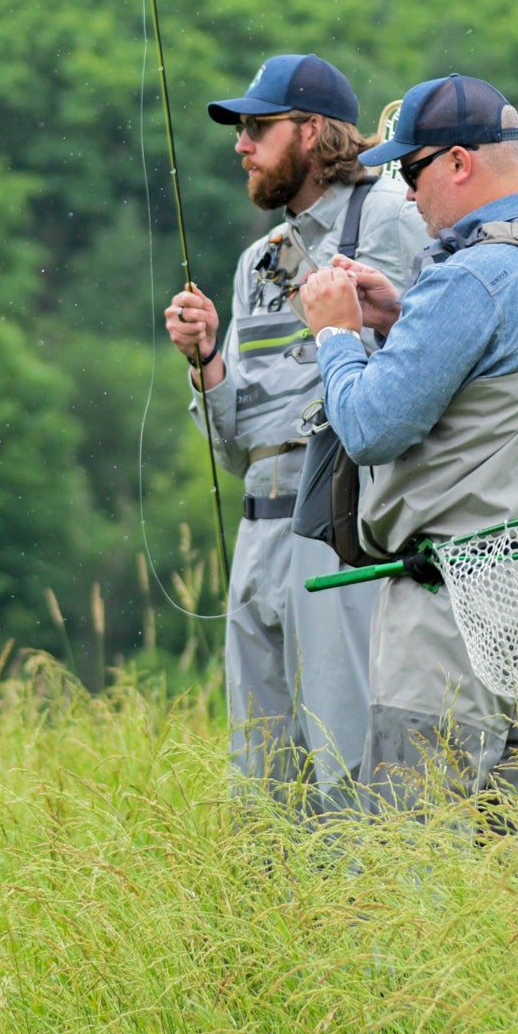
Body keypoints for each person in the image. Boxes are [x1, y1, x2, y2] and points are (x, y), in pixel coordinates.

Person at [297, 73, 518, 819]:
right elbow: (509, 401)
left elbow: (372, 423)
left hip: (453, 609)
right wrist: (405, 314)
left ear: (457, 163)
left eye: (411, 171)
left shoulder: (470, 277)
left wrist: (337, 333)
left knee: (416, 858)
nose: (406, 195)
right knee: (513, 865)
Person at [163, 53, 428, 815]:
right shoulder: (257, 262)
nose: (240, 144)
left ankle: (361, 922)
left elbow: (424, 365)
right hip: (257, 536)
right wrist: (207, 358)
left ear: (312, 133)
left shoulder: (391, 218)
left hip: (340, 527)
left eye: (257, 128)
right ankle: (274, 931)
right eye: (240, 130)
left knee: (346, 763)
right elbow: (237, 438)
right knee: (261, 779)